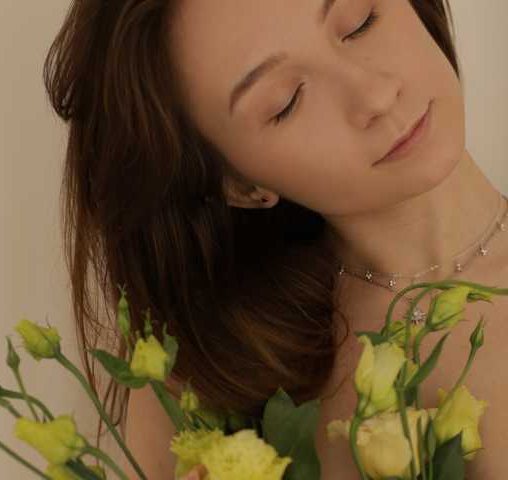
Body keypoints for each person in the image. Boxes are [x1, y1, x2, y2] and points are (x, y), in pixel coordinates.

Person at [43, 0, 507, 478]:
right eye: (286, 101)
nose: (375, 95)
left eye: (360, 22)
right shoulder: (211, 374)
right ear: (238, 185)